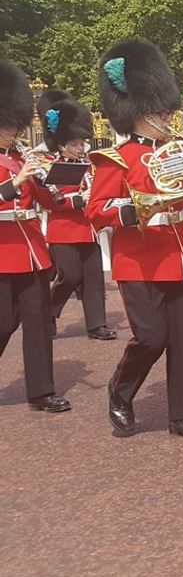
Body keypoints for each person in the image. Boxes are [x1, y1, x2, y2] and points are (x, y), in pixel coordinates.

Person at [90, 40, 183, 439]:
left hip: (180, 256)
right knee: (151, 337)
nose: (168, 117)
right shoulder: (117, 158)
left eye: (168, 110)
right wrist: (137, 209)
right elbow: (97, 210)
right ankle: (120, 390)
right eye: (161, 111)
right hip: (139, 259)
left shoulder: (177, 151)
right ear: (140, 112)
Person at [0, 61, 71, 413]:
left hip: (33, 249)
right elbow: (8, 193)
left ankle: (41, 391)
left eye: (14, 125)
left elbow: (45, 201)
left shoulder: (21, 156)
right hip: (3, 251)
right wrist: (13, 184)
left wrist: (49, 183)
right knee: (3, 322)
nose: (12, 132)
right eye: (7, 126)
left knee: (39, 323)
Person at [40, 96, 115, 340]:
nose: (81, 148)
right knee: (69, 276)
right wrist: (78, 199)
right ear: (61, 145)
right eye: (75, 143)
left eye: (82, 143)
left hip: (88, 228)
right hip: (64, 230)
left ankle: (97, 324)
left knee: (94, 277)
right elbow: (52, 201)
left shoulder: (89, 165)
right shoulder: (51, 167)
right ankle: (48, 312)